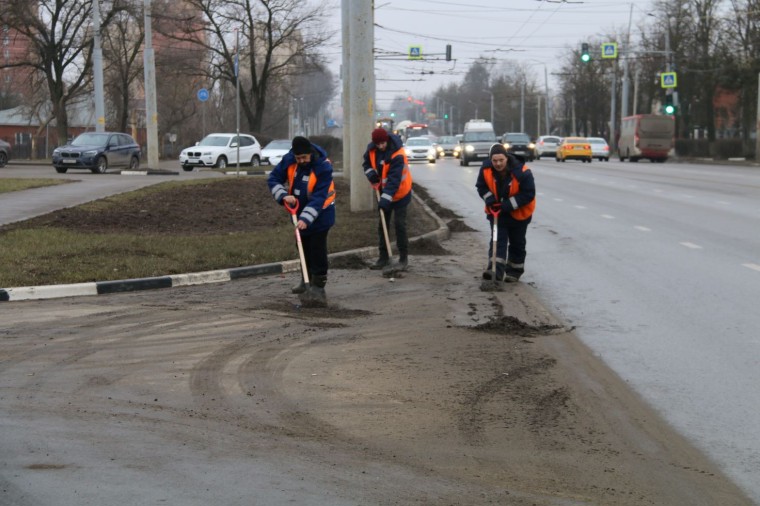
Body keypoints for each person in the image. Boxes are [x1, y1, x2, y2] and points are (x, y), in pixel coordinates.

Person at [267, 136, 335, 304]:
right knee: (302, 246)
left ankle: (319, 287)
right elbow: (273, 178)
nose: (301, 161)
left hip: (321, 214)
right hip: (298, 213)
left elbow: (319, 196)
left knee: (317, 248)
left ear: (310, 153)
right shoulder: (290, 160)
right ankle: (306, 280)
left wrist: (306, 217)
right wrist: (283, 195)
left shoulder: (323, 167)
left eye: (304, 157)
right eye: (298, 158)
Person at [475, 144, 536, 282]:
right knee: (497, 241)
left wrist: (506, 205)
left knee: (517, 243)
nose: (498, 164)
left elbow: (528, 194)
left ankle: (514, 271)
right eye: (495, 161)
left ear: (506, 158)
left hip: (519, 214)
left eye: (501, 160)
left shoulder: (523, 172)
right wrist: (490, 200)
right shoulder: (485, 170)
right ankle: (494, 271)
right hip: (497, 213)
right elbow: (481, 187)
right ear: (491, 160)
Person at [362, 127, 413, 271]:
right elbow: (366, 165)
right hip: (383, 193)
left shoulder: (397, 154)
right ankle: (383, 258)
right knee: (382, 224)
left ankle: (403, 258)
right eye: (378, 144)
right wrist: (371, 175)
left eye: (383, 143)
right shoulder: (371, 151)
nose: (381, 146)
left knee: (399, 224)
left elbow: (394, 180)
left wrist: (386, 198)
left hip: (400, 193)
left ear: (387, 140)